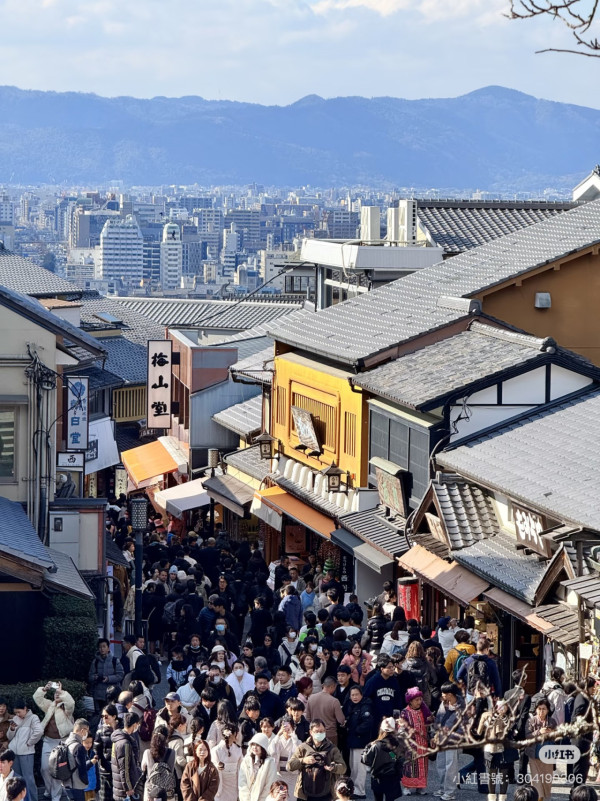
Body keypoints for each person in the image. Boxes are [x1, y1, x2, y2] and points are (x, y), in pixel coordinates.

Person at [33, 681, 75, 801]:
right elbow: (37, 698)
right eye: (55, 693)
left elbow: (71, 703)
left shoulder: (66, 708)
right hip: (48, 740)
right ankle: (49, 789)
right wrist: (45, 689)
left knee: (57, 769)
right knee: (44, 768)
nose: (57, 695)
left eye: (59, 693)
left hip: (62, 742)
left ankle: (55, 797)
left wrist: (61, 692)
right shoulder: (49, 705)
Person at [286, 720, 346, 801]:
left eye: (322, 731)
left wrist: (333, 767)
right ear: (311, 732)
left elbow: (343, 768)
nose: (319, 734)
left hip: (326, 793)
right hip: (305, 794)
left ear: (325, 731)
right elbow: (289, 766)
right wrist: (303, 760)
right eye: (317, 731)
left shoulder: (332, 749)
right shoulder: (303, 747)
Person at [361, 718, 407, 801]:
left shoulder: (375, 745)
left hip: (377, 777)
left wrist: (366, 748)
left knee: (378, 799)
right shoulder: (397, 744)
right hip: (392, 777)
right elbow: (400, 759)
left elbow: (366, 760)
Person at [433, 683, 464, 801]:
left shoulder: (462, 706)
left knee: (451, 766)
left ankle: (450, 792)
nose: (442, 695)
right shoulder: (444, 703)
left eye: (443, 693)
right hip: (441, 739)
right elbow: (438, 718)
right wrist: (435, 734)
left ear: (450, 695)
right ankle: (442, 788)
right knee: (440, 764)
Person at [6, 697, 42, 801]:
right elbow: (9, 736)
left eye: (19, 712)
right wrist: (12, 729)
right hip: (14, 752)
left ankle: (33, 799)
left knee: (28, 779)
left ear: (25, 709)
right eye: (15, 712)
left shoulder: (33, 718)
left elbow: (39, 732)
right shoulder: (16, 719)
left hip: (26, 753)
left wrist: (30, 743)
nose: (17, 714)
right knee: (16, 779)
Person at [399, 688, 433, 796]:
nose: (419, 702)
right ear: (411, 701)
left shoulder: (422, 711)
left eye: (420, 699)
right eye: (417, 700)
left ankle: (420, 786)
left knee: (422, 765)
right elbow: (401, 727)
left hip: (422, 743)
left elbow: (431, 721)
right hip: (410, 744)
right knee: (410, 766)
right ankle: (407, 787)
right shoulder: (405, 712)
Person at [525, 698, 556, 801]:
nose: (541, 711)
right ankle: (538, 798)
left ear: (547, 710)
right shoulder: (531, 720)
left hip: (547, 755)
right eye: (539, 709)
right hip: (534, 754)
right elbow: (527, 735)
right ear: (536, 709)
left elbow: (557, 737)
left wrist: (551, 733)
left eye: (544, 709)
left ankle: (543, 798)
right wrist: (539, 732)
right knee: (536, 781)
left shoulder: (552, 721)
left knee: (547, 781)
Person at [346, 687, 373, 798]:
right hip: (353, 741)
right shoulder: (351, 705)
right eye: (352, 695)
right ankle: (354, 789)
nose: (355, 697)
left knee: (360, 767)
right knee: (353, 767)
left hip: (361, 741)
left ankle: (360, 791)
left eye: (357, 694)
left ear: (361, 695)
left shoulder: (366, 706)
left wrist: (355, 730)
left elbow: (367, 723)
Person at [570, 676, 596, 788]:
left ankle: (578, 791)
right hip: (580, 740)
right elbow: (577, 717)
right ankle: (576, 793)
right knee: (579, 768)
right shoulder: (581, 699)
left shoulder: (583, 697)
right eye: (592, 687)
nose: (594, 689)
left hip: (583, 739)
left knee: (582, 768)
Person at [111, 711, 142, 801]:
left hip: (118, 786)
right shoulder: (125, 744)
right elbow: (124, 769)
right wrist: (128, 788)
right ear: (135, 724)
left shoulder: (117, 739)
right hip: (124, 791)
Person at [305, 678, 345, 747]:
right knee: (330, 756)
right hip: (330, 734)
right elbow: (341, 720)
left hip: (315, 733)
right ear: (332, 686)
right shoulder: (334, 701)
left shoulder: (311, 698)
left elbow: (307, 718)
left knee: (315, 755)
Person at [238, 734, 278, 801]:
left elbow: (269, 784)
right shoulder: (246, 761)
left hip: (263, 798)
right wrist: (246, 798)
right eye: (253, 745)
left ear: (263, 747)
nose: (255, 747)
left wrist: (261, 799)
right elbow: (242, 781)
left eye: (258, 745)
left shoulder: (270, 762)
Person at [64, 719, 95, 801]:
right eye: (87, 731)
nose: (87, 734)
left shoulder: (66, 742)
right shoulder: (79, 747)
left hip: (66, 783)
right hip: (77, 785)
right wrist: (86, 782)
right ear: (82, 731)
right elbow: (82, 769)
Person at [89, 640, 125, 711]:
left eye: (104, 647)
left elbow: (120, 675)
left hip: (112, 694)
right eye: (100, 647)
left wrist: (109, 679)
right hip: (98, 695)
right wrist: (95, 677)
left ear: (108, 648)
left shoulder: (114, 660)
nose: (102, 649)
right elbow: (90, 676)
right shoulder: (95, 661)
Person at [268, 719, 299, 797]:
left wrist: (294, 739)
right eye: (284, 727)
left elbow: (298, 753)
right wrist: (278, 734)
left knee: (291, 796)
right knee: (280, 795)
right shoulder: (276, 740)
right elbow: (271, 752)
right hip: (279, 774)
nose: (286, 730)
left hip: (292, 774)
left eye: (289, 728)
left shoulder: (297, 741)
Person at [94, 704, 120, 801]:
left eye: (106, 716)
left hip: (118, 770)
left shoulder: (121, 730)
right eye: (102, 716)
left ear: (114, 716)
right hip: (105, 771)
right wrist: (105, 765)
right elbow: (97, 751)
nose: (104, 719)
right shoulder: (100, 731)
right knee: (104, 798)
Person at [141, 731, 176, 801]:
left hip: (151, 790)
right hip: (167, 790)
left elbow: (143, 768)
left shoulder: (147, 752)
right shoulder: (172, 752)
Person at [210, 724, 241, 801]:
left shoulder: (238, 749)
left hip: (234, 783)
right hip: (221, 782)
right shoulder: (216, 750)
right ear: (233, 734)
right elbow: (213, 768)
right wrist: (218, 766)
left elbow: (241, 767)